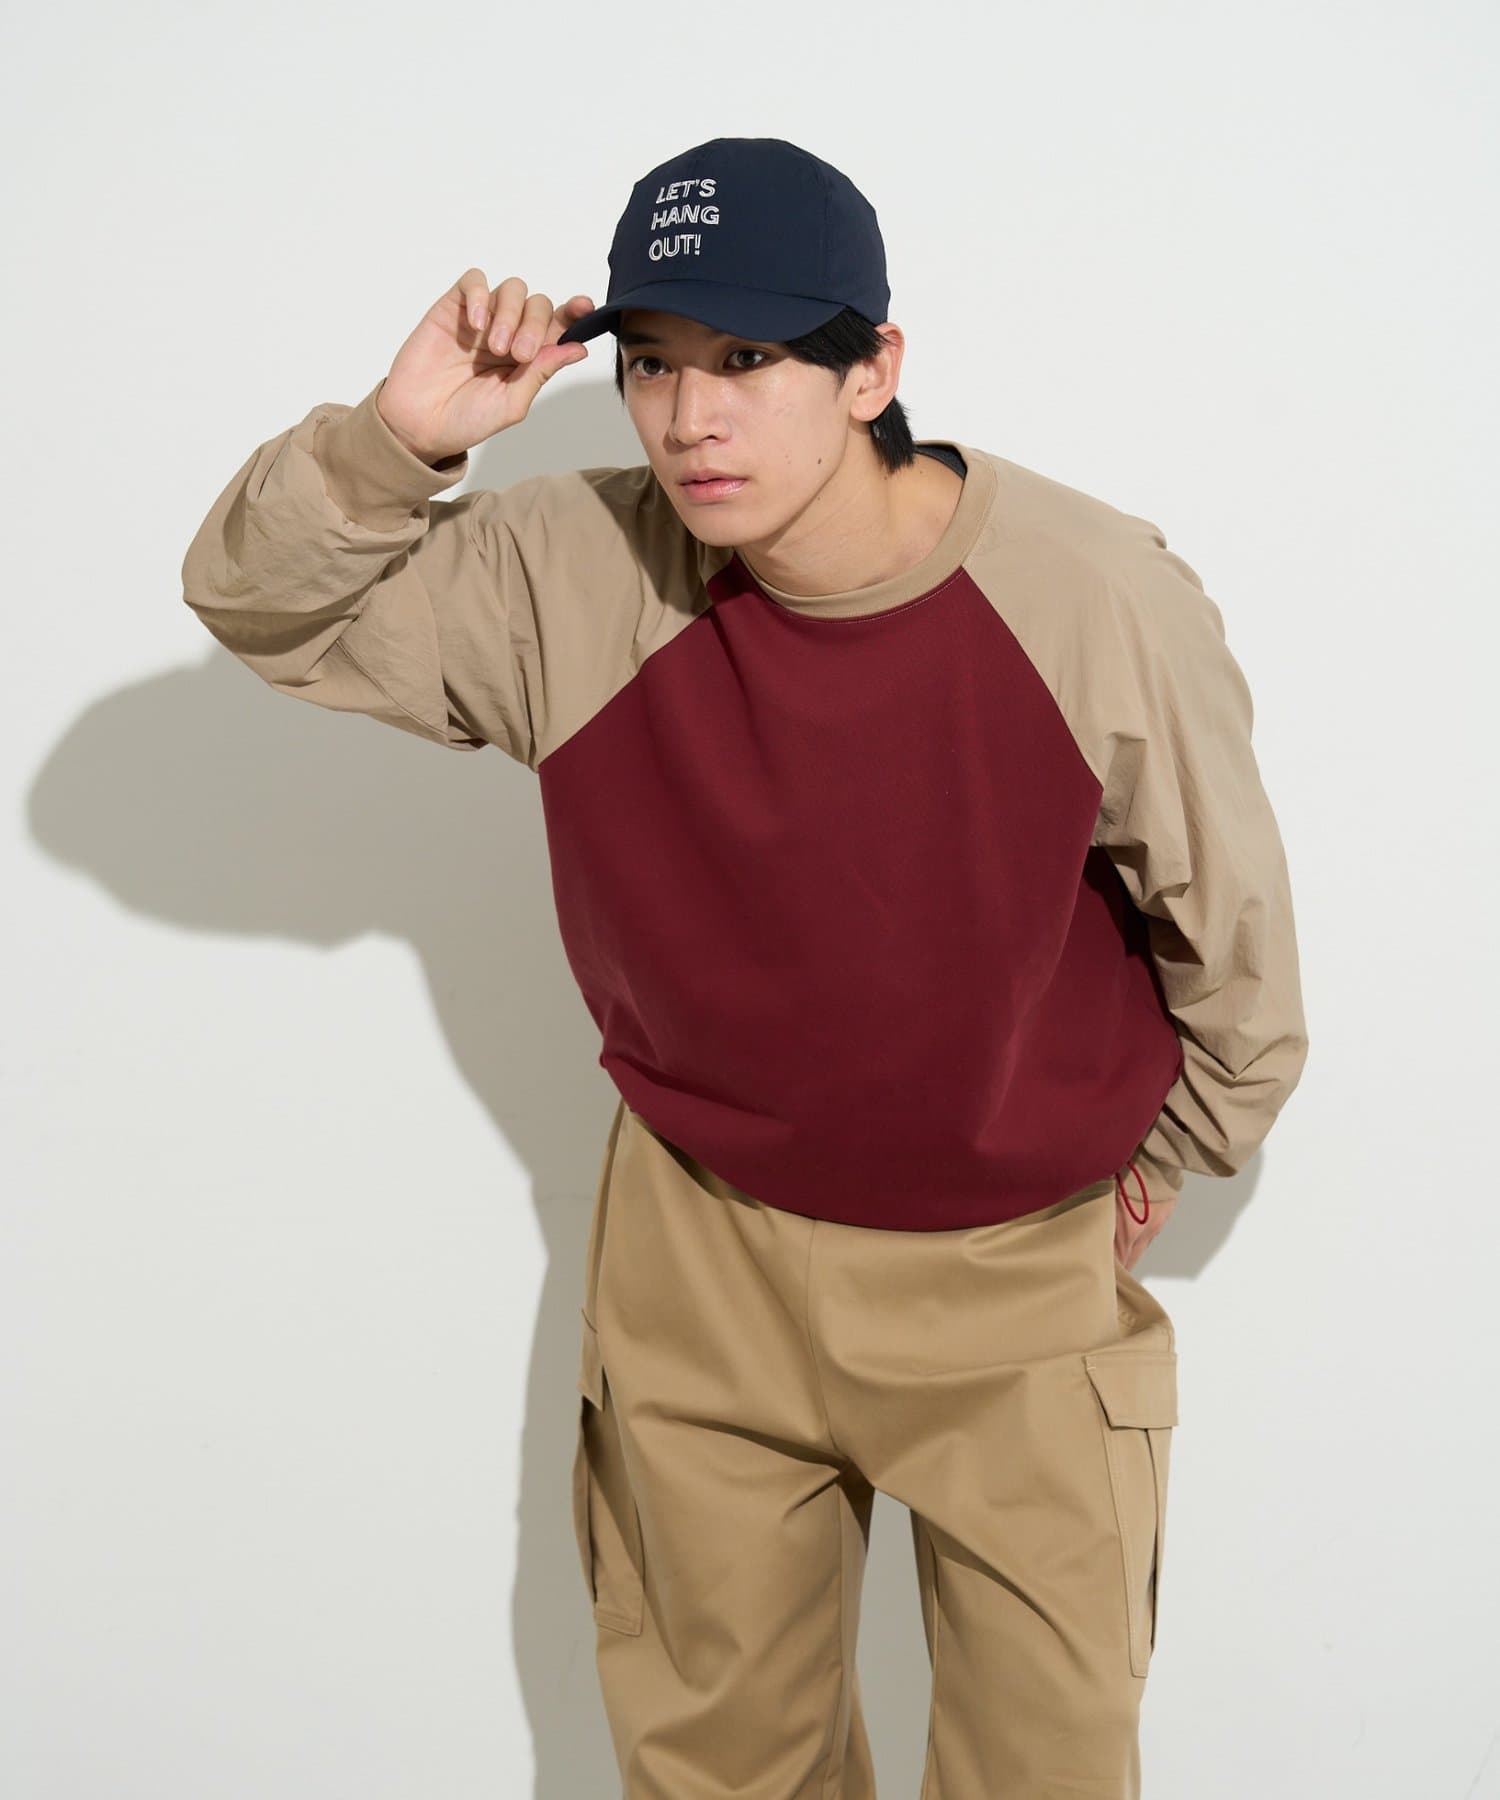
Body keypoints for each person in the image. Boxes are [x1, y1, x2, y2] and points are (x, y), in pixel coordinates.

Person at [181, 135, 1309, 1798]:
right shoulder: (574, 570)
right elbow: (258, 605)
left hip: (1008, 1276)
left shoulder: (1088, 595)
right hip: (699, 1256)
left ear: (873, 370)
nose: (689, 417)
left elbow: (1238, 949)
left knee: (1048, 1768)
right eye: (650, 363)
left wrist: (1162, 1157)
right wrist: (396, 439)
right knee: (717, 1772)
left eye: (749, 359)